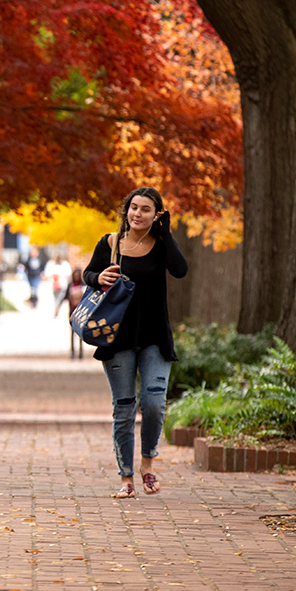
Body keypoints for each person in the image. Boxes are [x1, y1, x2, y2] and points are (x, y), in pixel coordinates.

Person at [81, 187, 188, 499]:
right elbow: (89, 273)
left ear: (156, 215)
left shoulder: (160, 245)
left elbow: (180, 270)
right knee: (124, 409)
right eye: (133, 207)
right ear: (126, 210)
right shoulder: (111, 243)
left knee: (154, 404)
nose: (137, 214)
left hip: (155, 338)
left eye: (145, 209)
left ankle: (147, 464)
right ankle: (126, 478)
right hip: (117, 339)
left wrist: (166, 234)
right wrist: (98, 278)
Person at [44, 251, 73, 317]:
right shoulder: (51, 264)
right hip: (53, 284)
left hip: (62, 284)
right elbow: (47, 274)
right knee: (56, 298)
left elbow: (68, 274)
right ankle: (56, 307)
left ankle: (57, 308)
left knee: (60, 297)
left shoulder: (65, 264)